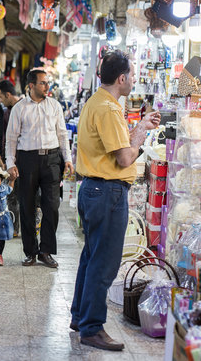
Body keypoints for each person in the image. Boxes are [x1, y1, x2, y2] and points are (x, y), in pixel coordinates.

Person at [70, 50, 161, 350]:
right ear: (122, 78)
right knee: (105, 262)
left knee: (91, 257)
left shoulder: (96, 102)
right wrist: (140, 133)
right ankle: (92, 328)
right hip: (106, 192)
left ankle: (80, 317)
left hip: (94, 190)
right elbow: (124, 158)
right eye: (132, 75)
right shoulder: (108, 109)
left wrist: (138, 127)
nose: (133, 79)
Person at [5, 69, 75, 268]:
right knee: (26, 206)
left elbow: (62, 135)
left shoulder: (55, 106)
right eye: (43, 83)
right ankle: (30, 252)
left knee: (52, 206)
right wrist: (11, 164)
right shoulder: (19, 108)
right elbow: (11, 139)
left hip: (52, 158)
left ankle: (46, 250)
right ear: (31, 86)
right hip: (27, 159)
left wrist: (67, 159)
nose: (47, 86)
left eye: (47, 83)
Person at [0, 80, 22, 237]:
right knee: (11, 194)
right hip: (11, 160)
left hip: (24, 159)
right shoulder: (6, 113)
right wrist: (6, 160)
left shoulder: (24, 108)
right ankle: (13, 228)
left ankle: (22, 227)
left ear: (8, 94)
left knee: (22, 195)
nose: (0, 101)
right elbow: (6, 138)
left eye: (0, 97)